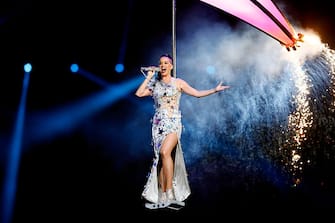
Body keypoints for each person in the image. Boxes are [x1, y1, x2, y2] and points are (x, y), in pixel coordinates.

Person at [135, 54, 230, 209]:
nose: (163, 65)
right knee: (160, 159)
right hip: (158, 127)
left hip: (173, 124)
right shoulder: (155, 84)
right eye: (160, 63)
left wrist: (214, 90)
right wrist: (149, 77)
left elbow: (197, 94)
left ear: (171, 66)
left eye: (166, 63)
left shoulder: (178, 82)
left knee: (166, 153)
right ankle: (163, 195)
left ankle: (171, 193)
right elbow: (139, 94)